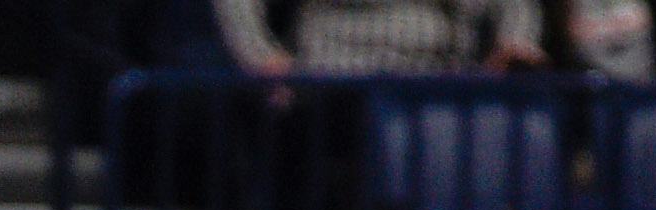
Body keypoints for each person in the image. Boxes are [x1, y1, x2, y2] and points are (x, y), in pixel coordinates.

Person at [211, 0, 534, 68]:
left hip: (436, 78)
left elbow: (515, 5)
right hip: (335, 79)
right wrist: (262, 56)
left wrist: (515, 41)